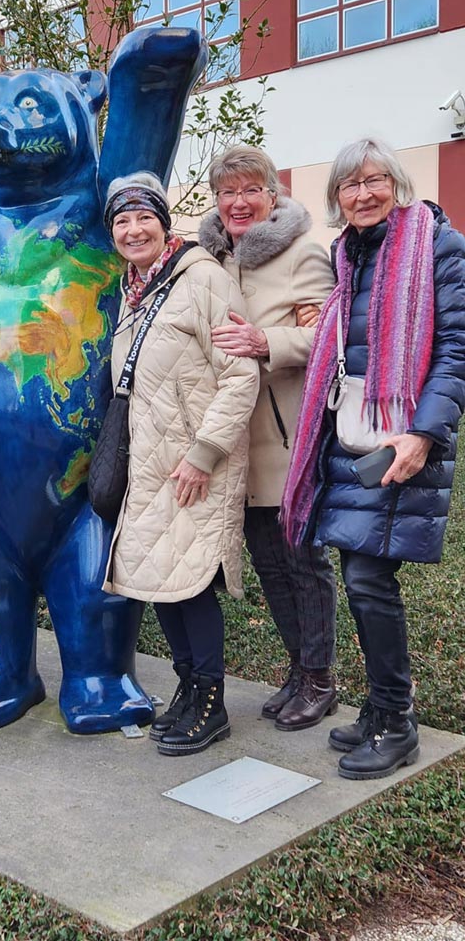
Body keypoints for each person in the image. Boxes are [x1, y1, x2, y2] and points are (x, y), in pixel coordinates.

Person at [281, 137, 465, 779]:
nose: (362, 194)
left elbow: (454, 349)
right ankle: (380, 706)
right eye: (348, 185)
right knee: (363, 580)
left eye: (374, 180)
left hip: (401, 437)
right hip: (352, 436)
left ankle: (397, 721)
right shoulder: (349, 253)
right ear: (336, 198)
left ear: (397, 183)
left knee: (367, 580)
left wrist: (423, 435)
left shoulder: (436, 245)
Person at [101, 172, 259, 756]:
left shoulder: (202, 279)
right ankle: (189, 690)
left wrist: (204, 454)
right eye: (121, 221)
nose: (133, 229)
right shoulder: (135, 288)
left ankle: (210, 702)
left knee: (191, 585)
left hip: (195, 464)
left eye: (144, 217)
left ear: (165, 223)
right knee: (160, 581)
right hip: (149, 463)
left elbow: (240, 374)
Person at [198, 145, 339, 731]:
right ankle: (297, 668)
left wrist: (267, 342)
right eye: (227, 193)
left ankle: (322, 678)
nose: (238, 202)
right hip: (235, 443)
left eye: (250, 190)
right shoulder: (210, 261)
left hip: (289, 441)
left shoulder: (302, 253)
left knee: (303, 562)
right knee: (268, 565)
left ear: (272, 196)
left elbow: (330, 339)